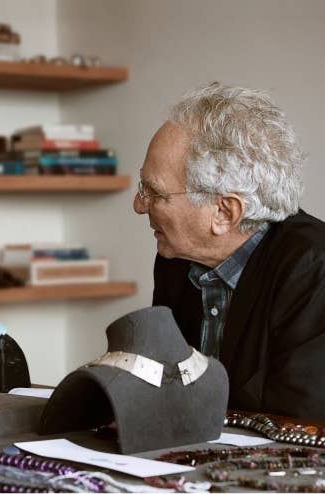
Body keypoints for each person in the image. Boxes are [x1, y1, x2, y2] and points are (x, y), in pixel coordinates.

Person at [134, 82, 325, 420]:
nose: (139, 205)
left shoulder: (313, 268)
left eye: (154, 193)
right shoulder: (176, 258)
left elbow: (301, 425)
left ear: (224, 213)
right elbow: (160, 392)